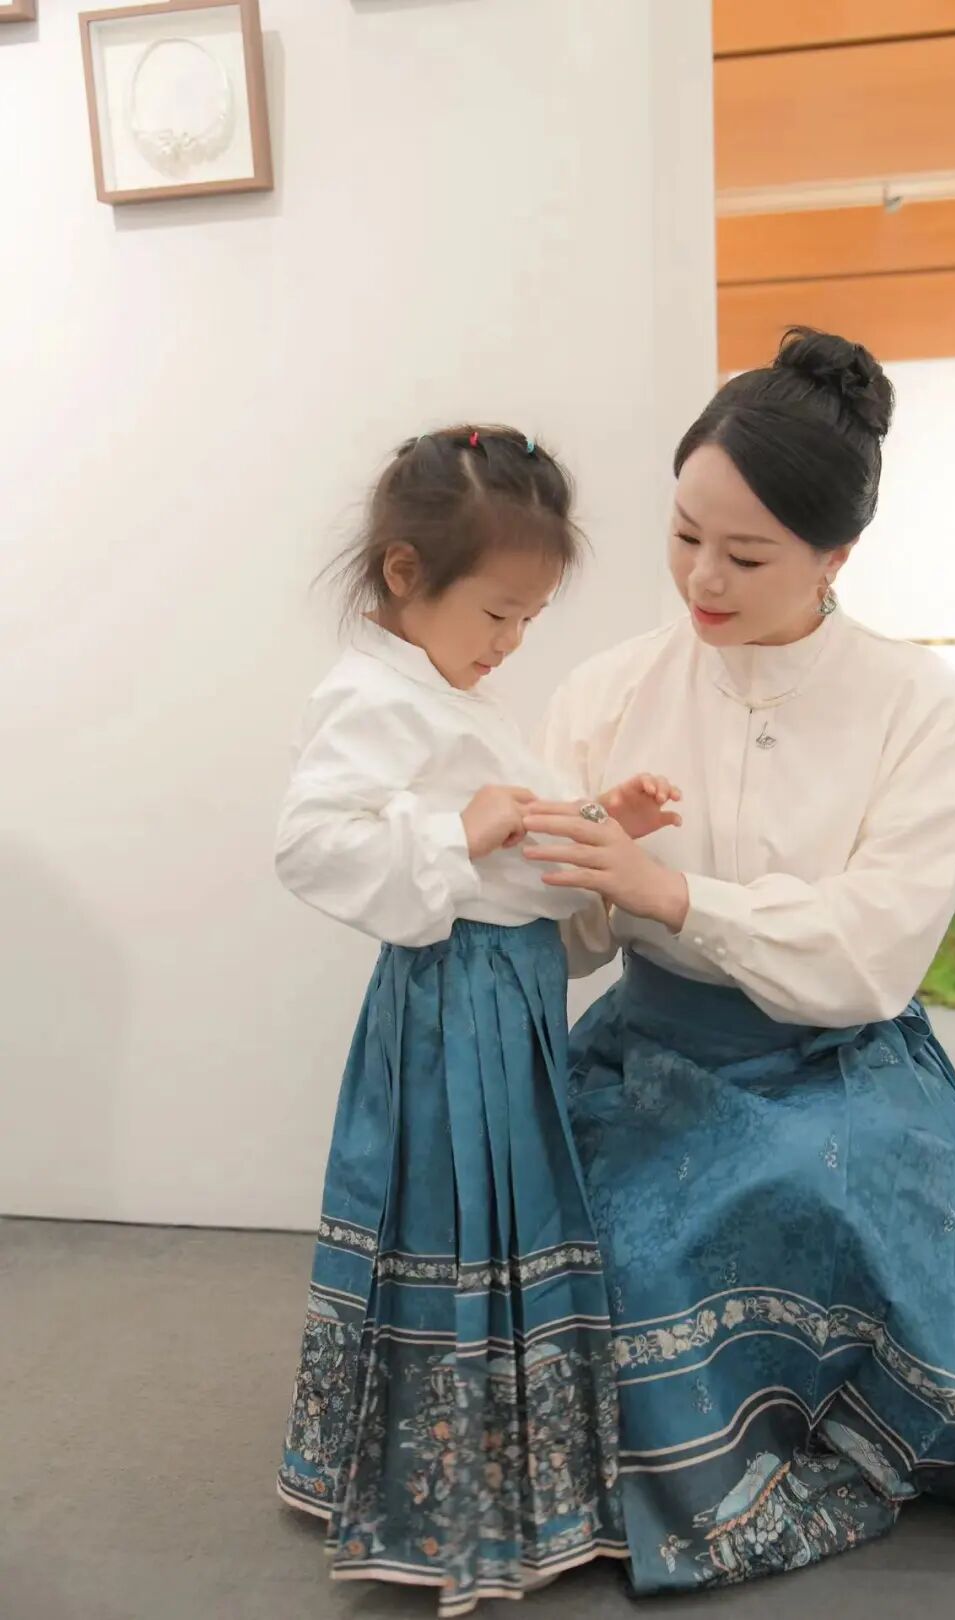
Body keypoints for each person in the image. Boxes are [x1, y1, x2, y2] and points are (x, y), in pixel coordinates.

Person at [522, 330, 955, 1592]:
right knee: (598, 1237)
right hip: (647, 1053)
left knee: (809, 1185)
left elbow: (875, 951)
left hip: (835, 1059)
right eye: (683, 535)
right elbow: (565, 938)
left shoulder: (913, 702)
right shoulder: (610, 689)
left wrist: (676, 892)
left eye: (748, 553)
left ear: (837, 556)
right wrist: (558, 865)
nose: (702, 577)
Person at [272, 425, 681, 1615]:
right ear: (407, 574)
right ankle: (448, 1487)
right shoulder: (371, 697)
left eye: (528, 621)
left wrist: (603, 819)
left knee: (502, 1216)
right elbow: (312, 843)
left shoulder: (449, 691)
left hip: (506, 992)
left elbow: (512, 839)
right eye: (499, 613)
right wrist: (459, 833)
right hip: (457, 1002)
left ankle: (497, 1467)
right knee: (463, 1217)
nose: (510, 643)